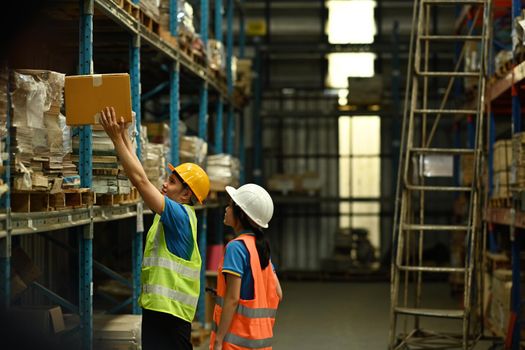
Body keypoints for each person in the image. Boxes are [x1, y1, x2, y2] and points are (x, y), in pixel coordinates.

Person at [99, 107, 210, 350]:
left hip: (169, 316)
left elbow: (140, 181)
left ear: (186, 193)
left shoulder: (179, 215)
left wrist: (115, 138)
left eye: (171, 182)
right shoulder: (174, 215)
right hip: (160, 311)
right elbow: (141, 175)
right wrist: (126, 135)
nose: (164, 184)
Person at [210, 184, 283, 350]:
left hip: (236, 341)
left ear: (241, 214)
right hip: (261, 341)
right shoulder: (261, 247)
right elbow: (278, 293)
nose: (226, 209)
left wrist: (219, 339)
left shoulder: (236, 248)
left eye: (230, 205)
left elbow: (233, 299)